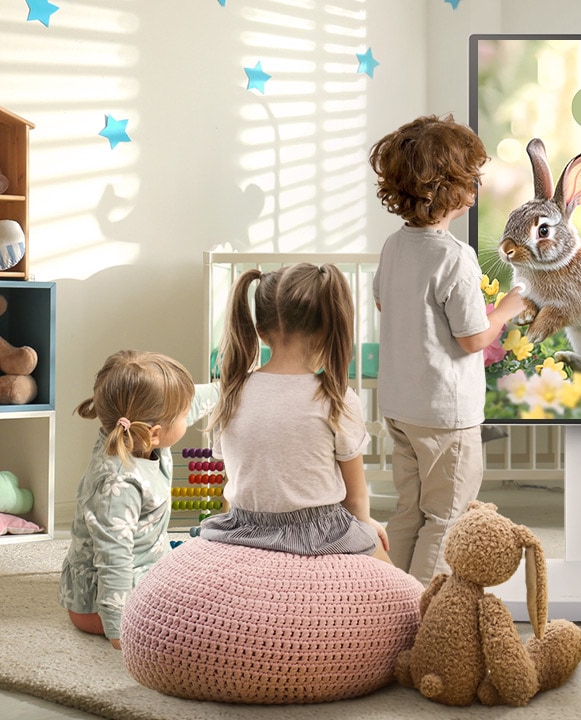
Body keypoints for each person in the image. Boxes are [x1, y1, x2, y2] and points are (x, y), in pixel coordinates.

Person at [368, 114, 528, 583]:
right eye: (471, 177)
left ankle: (388, 598)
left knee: (409, 510)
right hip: (445, 414)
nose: (477, 185)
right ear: (449, 189)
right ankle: (422, 610)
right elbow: (473, 338)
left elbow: (384, 301)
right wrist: (507, 308)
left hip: (400, 406)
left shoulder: (395, 246)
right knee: (447, 516)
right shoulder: (455, 255)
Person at [196, 262, 390, 563]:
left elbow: (239, 482)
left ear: (260, 332)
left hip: (242, 528)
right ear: (327, 328)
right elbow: (355, 500)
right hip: (321, 534)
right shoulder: (336, 398)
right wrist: (366, 526)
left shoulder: (231, 393)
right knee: (402, 582)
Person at [59, 350, 218, 649]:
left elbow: (196, 400)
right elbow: (113, 559)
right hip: (101, 605)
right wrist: (118, 628)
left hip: (146, 572)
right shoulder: (117, 485)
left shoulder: (135, 435)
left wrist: (233, 387)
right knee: (201, 615)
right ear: (155, 433)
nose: (189, 415)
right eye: (183, 415)